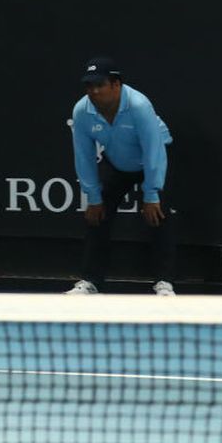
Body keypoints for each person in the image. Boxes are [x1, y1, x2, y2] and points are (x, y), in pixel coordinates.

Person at [66, 56, 175, 296]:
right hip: (117, 162)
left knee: (158, 215)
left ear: (116, 85)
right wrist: (93, 198)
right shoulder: (82, 111)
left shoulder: (139, 105)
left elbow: (153, 150)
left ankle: (164, 283)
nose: (94, 91)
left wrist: (152, 193)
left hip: (153, 159)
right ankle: (90, 281)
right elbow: (83, 156)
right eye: (89, 86)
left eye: (100, 85)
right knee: (97, 216)